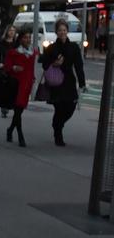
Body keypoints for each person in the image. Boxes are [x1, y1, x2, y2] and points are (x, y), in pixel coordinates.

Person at [40, 18, 87, 146]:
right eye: (60, 30)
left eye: (64, 30)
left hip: (69, 81)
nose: (62, 32)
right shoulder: (51, 47)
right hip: (56, 82)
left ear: (67, 31)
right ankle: (58, 134)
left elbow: (79, 65)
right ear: (56, 32)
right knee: (59, 108)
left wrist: (82, 82)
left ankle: (57, 125)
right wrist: (53, 63)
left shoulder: (73, 47)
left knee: (70, 107)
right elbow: (42, 61)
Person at [3, 29, 38, 147]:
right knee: (17, 111)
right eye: (25, 37)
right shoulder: (13, 52)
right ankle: (20, 135)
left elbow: (31, 69)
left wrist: (33, 78)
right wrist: (13, 68)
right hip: (16, 85)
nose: (28, 40)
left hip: (26, 85)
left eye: (29, 37)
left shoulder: (32, 53)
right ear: (20, 39)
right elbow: (7, 66)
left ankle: (10, 129)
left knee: (19, 111)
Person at [0, 24, 17, 118]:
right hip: (4, 69)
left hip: (14, 69)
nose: (12, 32)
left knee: (14, 88)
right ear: (7, 32)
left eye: (13, 31)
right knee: (4, 89)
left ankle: (12, 105)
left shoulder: (16, 44)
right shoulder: (1, 43)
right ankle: (4, 108)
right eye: (10, 30)